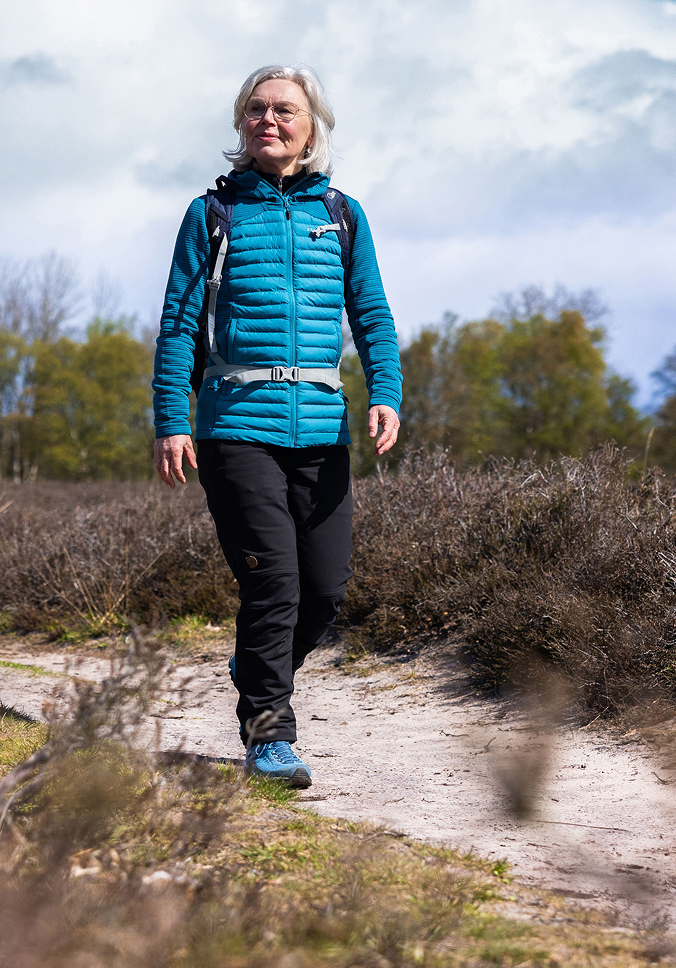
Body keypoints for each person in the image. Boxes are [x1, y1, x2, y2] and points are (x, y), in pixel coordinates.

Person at [152, 65, 402, 787]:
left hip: (323, 431)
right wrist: (174, 419)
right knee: (275, 586)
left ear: (312, 125)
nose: (270, 120)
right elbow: (177, 326)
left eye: (284, 110)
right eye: (256, 111)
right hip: (236, 428)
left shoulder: (343, 213)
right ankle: (269, 737)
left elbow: (373, 315)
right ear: (241, 125)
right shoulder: (213, 214)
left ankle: (256, 666)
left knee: (324, 591)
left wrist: (385, 391)